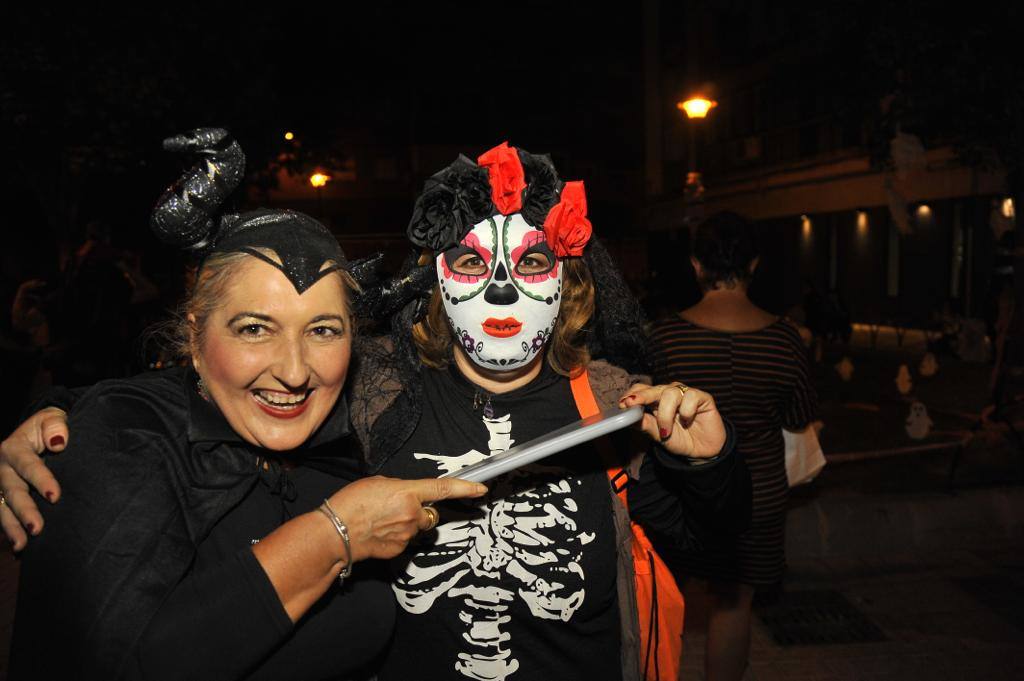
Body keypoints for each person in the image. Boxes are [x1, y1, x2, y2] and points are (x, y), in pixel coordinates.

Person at [2, 141, 752, 681]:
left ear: (571, 283)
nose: (499, 292)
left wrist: (711, 462)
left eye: (529, 263)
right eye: (469, 262)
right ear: (435, 280)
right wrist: (67, 413)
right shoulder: (376, 393)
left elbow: (715, 551)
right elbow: (237, 395)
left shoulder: (612, 405)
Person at [4, 128, 487, 681]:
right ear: (194, 337)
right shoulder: (126, 439)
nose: (294, 370)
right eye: (255, 328)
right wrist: (334, 535)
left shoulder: (351, 438)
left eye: (323, 330)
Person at [648, 211, 818, 681]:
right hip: (756, 495)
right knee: (733, 601)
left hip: (680, 493)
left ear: (697, 266)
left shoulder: (663, 337)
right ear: (755, 264)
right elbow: (800, 417)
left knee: (664, 596)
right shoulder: (786, 340)